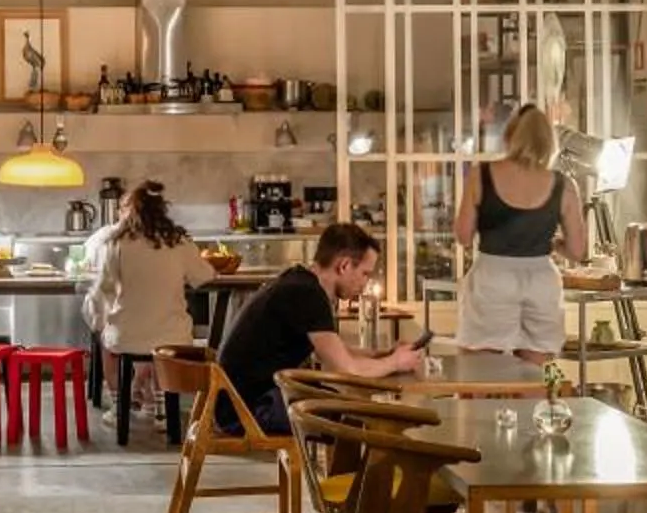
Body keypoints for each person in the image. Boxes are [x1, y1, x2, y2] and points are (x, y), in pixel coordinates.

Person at [214, 221, 421, 436]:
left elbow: (335, 352)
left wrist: (383, 355)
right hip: (246, 412)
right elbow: (346, 368)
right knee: (361, 416)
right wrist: (395, 362)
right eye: (365, 274)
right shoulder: (308, 294)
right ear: (344, 266)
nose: (365, 283)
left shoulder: (301, 282)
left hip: (240, 404)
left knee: (352, 408)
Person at [453, 103, 586, 364]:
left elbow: (463, 236)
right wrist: (553, 243)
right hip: (541, 281)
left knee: (479, 371)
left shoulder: (482, 175)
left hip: (492, 278)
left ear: (509, 136)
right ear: (549, 141)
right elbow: (577, 250)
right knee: (538, 374)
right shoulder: (564, 185)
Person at [91, 181, 213, 445]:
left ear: (128, 212)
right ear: (162, 210)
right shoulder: (179, 241)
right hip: (173, 338)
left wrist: (101, 318)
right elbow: (203, 277)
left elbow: (105, 288)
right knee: (162, 339)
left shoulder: (116, 243)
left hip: (126, 336)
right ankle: (161, 410)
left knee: (105, 339)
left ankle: (119, 405)